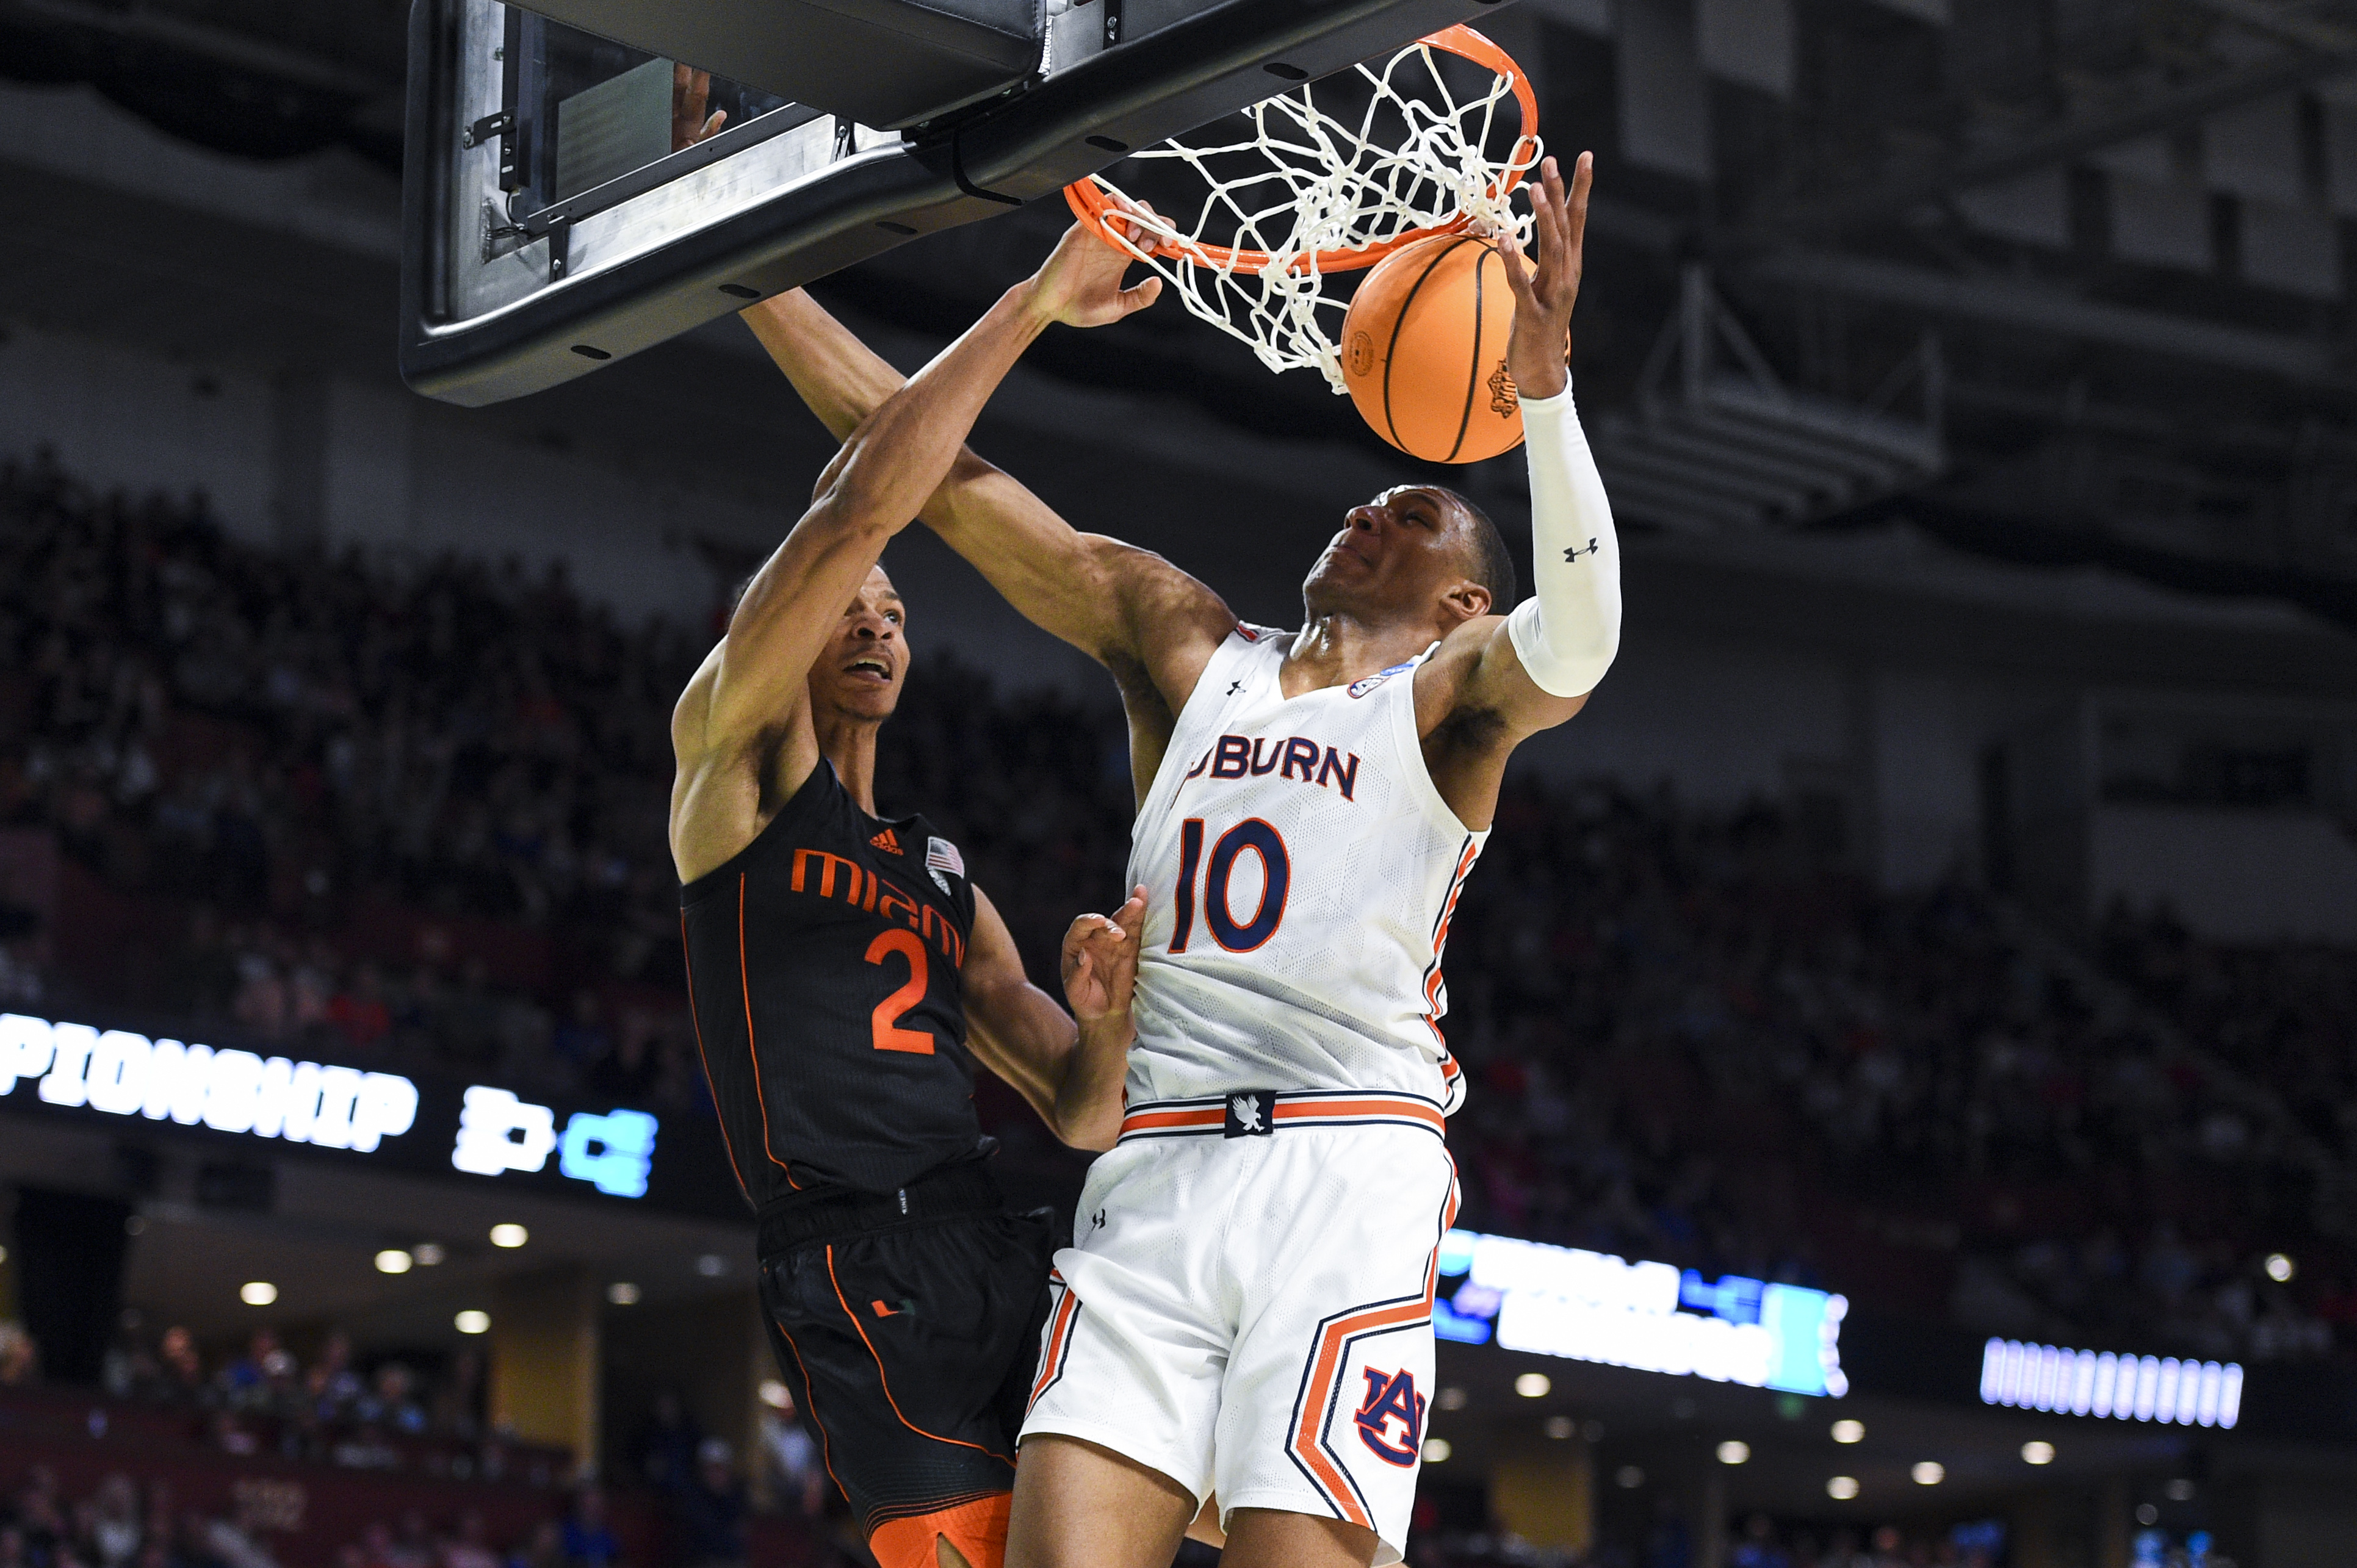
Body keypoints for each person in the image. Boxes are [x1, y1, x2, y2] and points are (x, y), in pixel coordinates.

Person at [746, 152, 1615, 1568]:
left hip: (1345, 1171)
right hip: (1154, 1174)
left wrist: (1547, 389)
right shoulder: (1186, 644)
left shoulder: (1450, 702)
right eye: (1369, 494)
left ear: (1463, 602)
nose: (1368, 507)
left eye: (1414, 510)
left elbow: (1582, 641)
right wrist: (756, 284)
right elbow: (935, 481)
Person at [669, 231, 1158, 1568]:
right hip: (857, 1268)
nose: (875, 622)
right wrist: (1031, 307)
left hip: (995, 1238)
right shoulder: (736, 767)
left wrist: (1103, 1014)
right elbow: (860, 510)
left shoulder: (947, 874)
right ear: (783, 626)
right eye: (848, 611)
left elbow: (1085, 1108)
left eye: (892, 613)